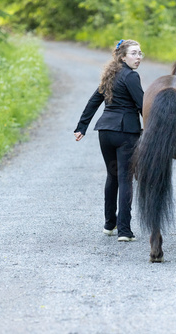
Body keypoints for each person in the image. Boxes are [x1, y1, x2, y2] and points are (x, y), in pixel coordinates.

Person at [74, 39, 144, 242]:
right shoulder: (131, 76)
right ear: (123, 57)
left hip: (105, 131)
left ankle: (109, 224)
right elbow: (142, 104)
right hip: (125, 133)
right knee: (125, 179)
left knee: (112, 176)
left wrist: (82, 127)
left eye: (140, 53)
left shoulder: (110, 75)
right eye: (134, 53)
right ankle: (124, 230)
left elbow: (94, 101)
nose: (138, 57)